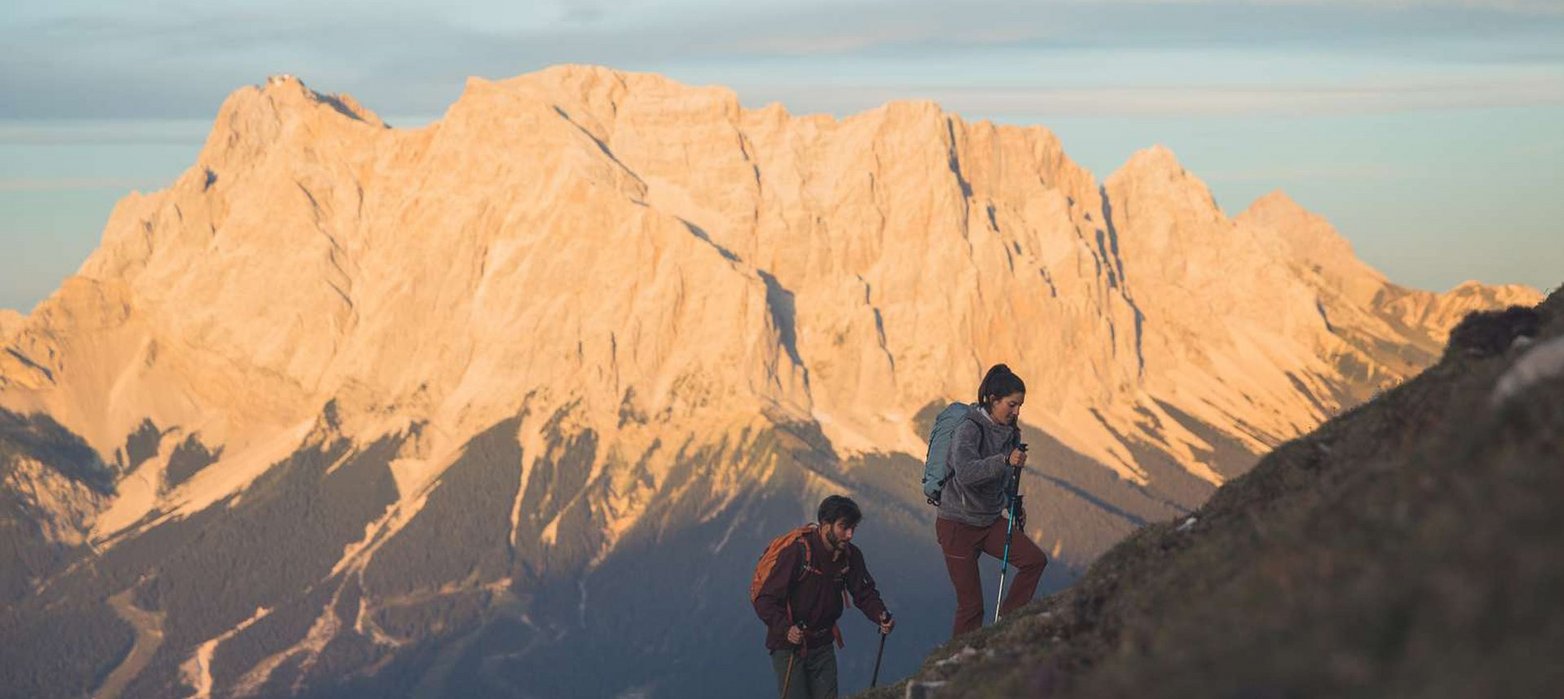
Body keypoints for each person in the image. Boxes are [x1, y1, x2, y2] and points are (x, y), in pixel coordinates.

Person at [936, 363, 1048, 637]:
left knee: (1034, 560)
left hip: (988, 521)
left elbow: (1004, 477)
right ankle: (958, 664)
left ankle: (1006, 629)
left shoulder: (1012, 433)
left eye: (1020, 405)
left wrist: (1012, 503)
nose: (1016, 412)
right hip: (956, 525)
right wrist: (1003, 460)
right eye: (1011, 404)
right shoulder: (970, 428)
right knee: (972, 606)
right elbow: (966, 473)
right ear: (993, 400)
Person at [753, 495, 895, 699]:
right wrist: (786, 629)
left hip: (822, 643)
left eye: (853, 528)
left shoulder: (850, 555)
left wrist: (880, 615)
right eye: (844, 527)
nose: (849, 535)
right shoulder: (798, 552)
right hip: (788, 647)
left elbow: (864, 593)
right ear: (825, 525)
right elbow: (765, 599)